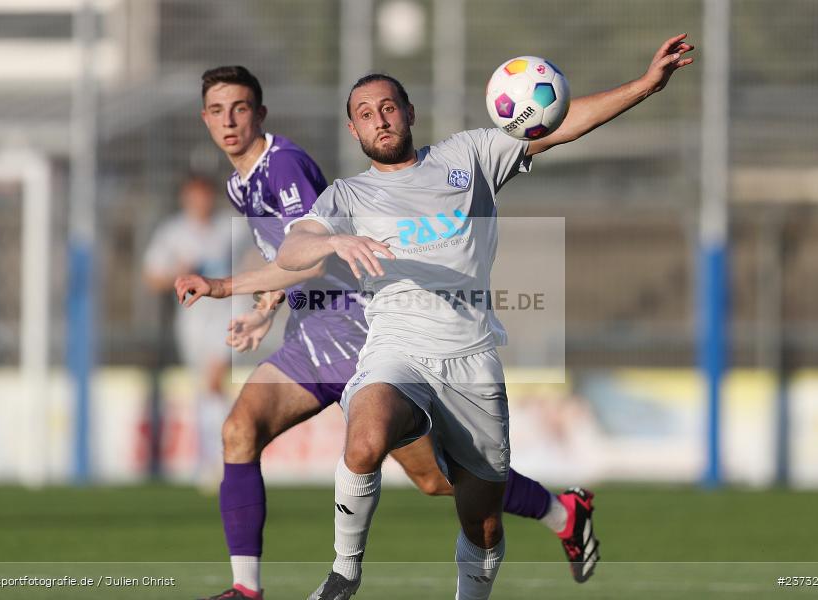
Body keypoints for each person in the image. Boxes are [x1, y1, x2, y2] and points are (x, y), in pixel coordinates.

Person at [276, 34, 694, 600]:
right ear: (354, 130)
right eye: (365, 113)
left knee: (483, 523)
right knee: (365, 438)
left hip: (471, 359)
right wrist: (333, 242)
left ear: (409, 113)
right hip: (395, 350)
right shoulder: (347, 196)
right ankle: (344, 571)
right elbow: (292, 249)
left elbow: (560, 124)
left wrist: (646, 85)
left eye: (388, 107)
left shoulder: (467, 155)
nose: (379, 119)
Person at [178, 66, 592, 600]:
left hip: (358, 333)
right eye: (216, 110)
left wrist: (225, 285)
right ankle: (249, 588)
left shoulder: (284, 167)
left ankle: (563, 511)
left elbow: (310, 252)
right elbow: (294, 256)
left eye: (239, 108)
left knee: (437, 480)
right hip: (311, 338)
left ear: (259, 113)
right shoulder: (240, 183)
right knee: (240, 431)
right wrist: (264, 306)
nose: (229, 121)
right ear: (204, 119)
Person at [142, 175, 233, 486]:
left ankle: (221, 461)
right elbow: (152, 277)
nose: (201, 203)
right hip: (192, 320)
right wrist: (178, 274)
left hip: (227, 314)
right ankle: (211, 457)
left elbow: (255, 258)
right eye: (194, 197)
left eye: (205, 196)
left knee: (214, 380)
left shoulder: (228, 228)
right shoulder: (173, 232)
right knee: (207, 390)